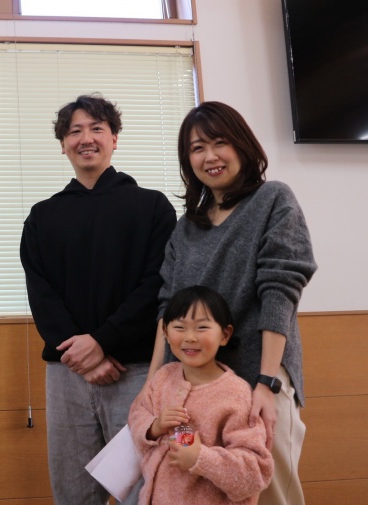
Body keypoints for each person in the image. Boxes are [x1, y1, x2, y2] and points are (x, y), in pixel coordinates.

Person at [148, 101, 317, 505]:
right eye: (197, 148)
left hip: (259, 377)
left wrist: (267, 383)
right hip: (193, 387)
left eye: (219, 142)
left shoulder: (273, 199)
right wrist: (152, 385)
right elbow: (167, 309)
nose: (210, 156)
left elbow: (280, 292)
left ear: (242, 145)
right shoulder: (187, 227)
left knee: (268, 491)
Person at [19, 94, 177, 504]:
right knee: (72, 494)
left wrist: (102, 341)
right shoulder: (42, 216)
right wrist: (83, 355)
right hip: (67, 374)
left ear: (114, 139)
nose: (85, 138)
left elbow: (157, 285)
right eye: (74, 131)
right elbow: (41, 294)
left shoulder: (152, 207)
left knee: (145, 491)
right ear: (63, 144)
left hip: (136, 370)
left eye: (96, 128)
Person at [130, 285, 273, 504]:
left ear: (225, 335)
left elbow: (255, 472)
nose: (190, 337)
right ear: (165, 332)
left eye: (202, 327)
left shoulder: (237, 394)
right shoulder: (162, 378)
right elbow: (137, 415)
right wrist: (154, 427)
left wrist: (201, 458)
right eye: (179, 327)